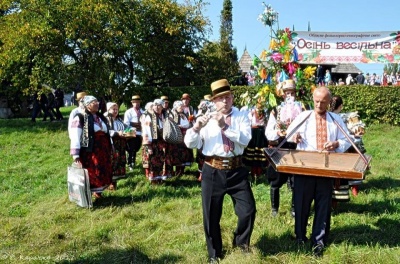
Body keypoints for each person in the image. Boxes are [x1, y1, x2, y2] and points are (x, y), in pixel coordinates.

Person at [184, 79, 256, 263]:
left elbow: (245, 140)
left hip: (237, 169)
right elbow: (190, 143)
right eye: (221, 98)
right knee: (211, 214)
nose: (225, 101)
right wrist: (196, 127)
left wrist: (224, 125)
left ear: (232, 97)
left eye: (228, 97)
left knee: (248, 210)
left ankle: (241, 243)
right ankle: (214, 253)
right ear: (214, 101)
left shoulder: (241, 116)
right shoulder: (206, 119)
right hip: (213, 170)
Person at [286, 87, 351, 257]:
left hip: (326, 168)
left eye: (323, 102)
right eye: (316, 101)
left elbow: (347, 140)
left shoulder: (335, 119)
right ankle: (300, 237)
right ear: (312, 99)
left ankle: (318, 241)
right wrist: (295, 137)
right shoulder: (303, 116)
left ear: (329, 102)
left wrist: (336, 144)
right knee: (301, 203)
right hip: (304, 167)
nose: (319, 105)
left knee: (323, 205)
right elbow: (289, 133)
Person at [265, 79, 302, 217]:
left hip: (297, 148)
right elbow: (269, 131)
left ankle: (294, 208)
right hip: (280, 147)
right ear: (282, 94)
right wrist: (277, 133)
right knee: (276, 179)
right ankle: (274, 209)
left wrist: (300, 135)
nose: (289, 96)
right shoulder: (276, 110)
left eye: (291, 93)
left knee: (296, 181)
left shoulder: (302, 109)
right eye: (287, 93)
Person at [70, 95, 113, 199]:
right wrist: (75, 155)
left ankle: (99, 193)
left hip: (103, 150)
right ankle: (89, 196)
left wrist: (111, 145)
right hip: (90, 151)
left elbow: (107, 132)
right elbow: (75, 136)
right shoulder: (80, 118)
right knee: (93, 172)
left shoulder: (100, 117)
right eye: (94, 102)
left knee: (102, 171)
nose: (97, 104)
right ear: (87, 105)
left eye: (97, 102)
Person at [242, 100, 269, 180]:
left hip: (261, 133)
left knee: (260, 152)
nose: (260, 104)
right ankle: (252, 172)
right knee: (252, 152)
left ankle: (259, 172)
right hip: (253, 133)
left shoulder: (265, 111)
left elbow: (266, 123)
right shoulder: (251, 111)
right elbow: (249, 121)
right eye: (259, 102)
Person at [141, 99, 167, 183]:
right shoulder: (148, 116)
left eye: (159, 105)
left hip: (161, 141)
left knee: (161, 160)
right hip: (152, 142)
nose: (157, 107)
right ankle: (153, 180)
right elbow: (146, 130)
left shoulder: (163, 115)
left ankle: (159, 178)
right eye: (155, 105)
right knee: (152, 160)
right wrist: (148, 145)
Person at [104, 102, 127, 190]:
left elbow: (125, 127)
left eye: (116, 109)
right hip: (111, 144)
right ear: (108, 109)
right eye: (113, 109)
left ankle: (114, 183)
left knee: (118, 162)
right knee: (112, 163)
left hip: (120, 144)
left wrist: (130, 130)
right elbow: (106, 131)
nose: (115, 111)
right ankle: (109, 184)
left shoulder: (119, 119)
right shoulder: (106, 119)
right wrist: (117, 133)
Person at [168, 100, 193, 176]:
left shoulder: (184, 114)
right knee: (176, 153)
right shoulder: (172, 114)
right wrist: (179, 127)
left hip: (185, 137)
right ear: (176, 107)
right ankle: (175, 171)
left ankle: (181, 170)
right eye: (180, 106)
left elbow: (188, 124)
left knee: (184, 153)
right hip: (177, 137)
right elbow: (170, 125)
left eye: (182, 106)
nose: (182, 107)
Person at [123, 95, 144, 170]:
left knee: (137, 147)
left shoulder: (143, 112)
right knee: (131, 148)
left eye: (138, 102)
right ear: (132, 103)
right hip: (132, 132)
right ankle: (130, 163)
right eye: (135, 102)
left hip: (141, 132)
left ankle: (134, 162)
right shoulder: (129, 112)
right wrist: (133, 129)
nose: (137, 104)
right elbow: (126, 123)